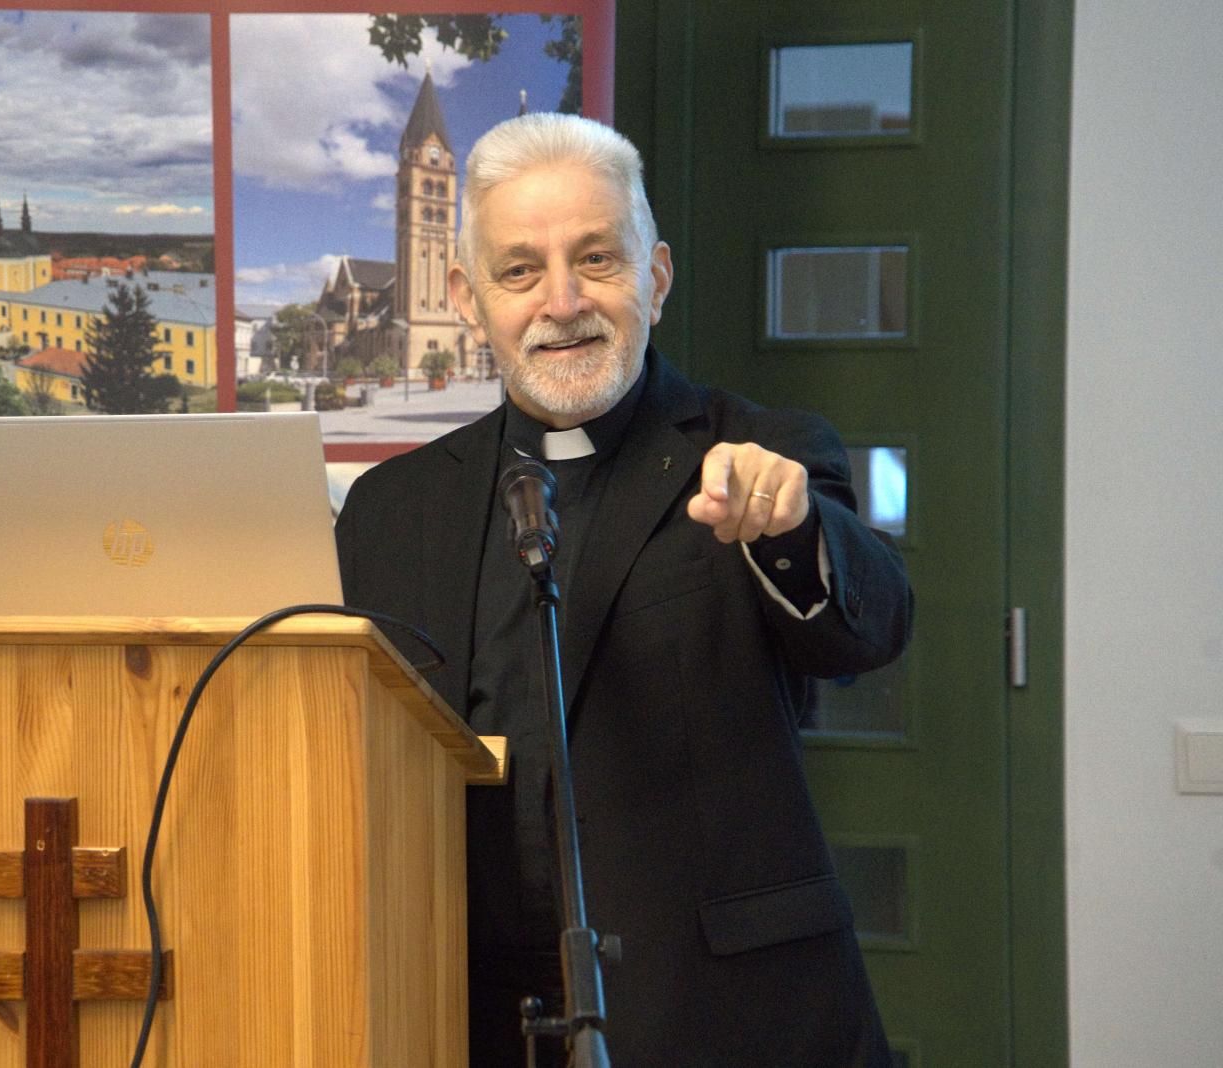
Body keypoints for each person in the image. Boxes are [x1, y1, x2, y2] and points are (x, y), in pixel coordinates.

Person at [335, 113, 911, 1066]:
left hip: (727, 1018)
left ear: (657, 276)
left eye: (597, 259)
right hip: (459, 1017)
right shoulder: (390, 510)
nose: (562, 303)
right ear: (468, 300)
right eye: (520, 271)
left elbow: (873, 625)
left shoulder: (757, 453)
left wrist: (795, 530)